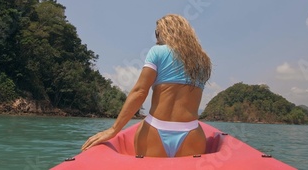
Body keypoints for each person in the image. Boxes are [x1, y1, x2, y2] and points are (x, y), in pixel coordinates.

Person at [81, 14, 212, 157]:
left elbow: (139, 92)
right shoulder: (202, 61)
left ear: (167, 32)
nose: (156, 38)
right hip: (192, 133)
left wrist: (113, 129)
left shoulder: (157, 52)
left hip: (155, 129)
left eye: (157, 33)